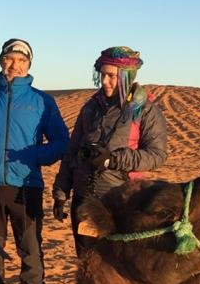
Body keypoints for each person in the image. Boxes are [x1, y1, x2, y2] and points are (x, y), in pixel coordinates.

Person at [0, 38, 69, 284]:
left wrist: (34, 157)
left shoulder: (42, 101)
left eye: (21, 61)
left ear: (29, 65)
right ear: (1, 61)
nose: (14, 65)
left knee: (30, 250)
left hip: (26, 186)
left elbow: (61, 142)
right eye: (10, 59)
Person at [52, 46, 167, 255]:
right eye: (102, 74)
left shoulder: (145, 110)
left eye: (111, 76)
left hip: (121, 199)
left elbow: (156, 155)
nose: (105, 81)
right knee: (86, 263)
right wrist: (61, 192)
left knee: (116, 266)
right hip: (84, 198)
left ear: (127, 76)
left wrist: (112, 160)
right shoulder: (90, 107)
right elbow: (72, 150)